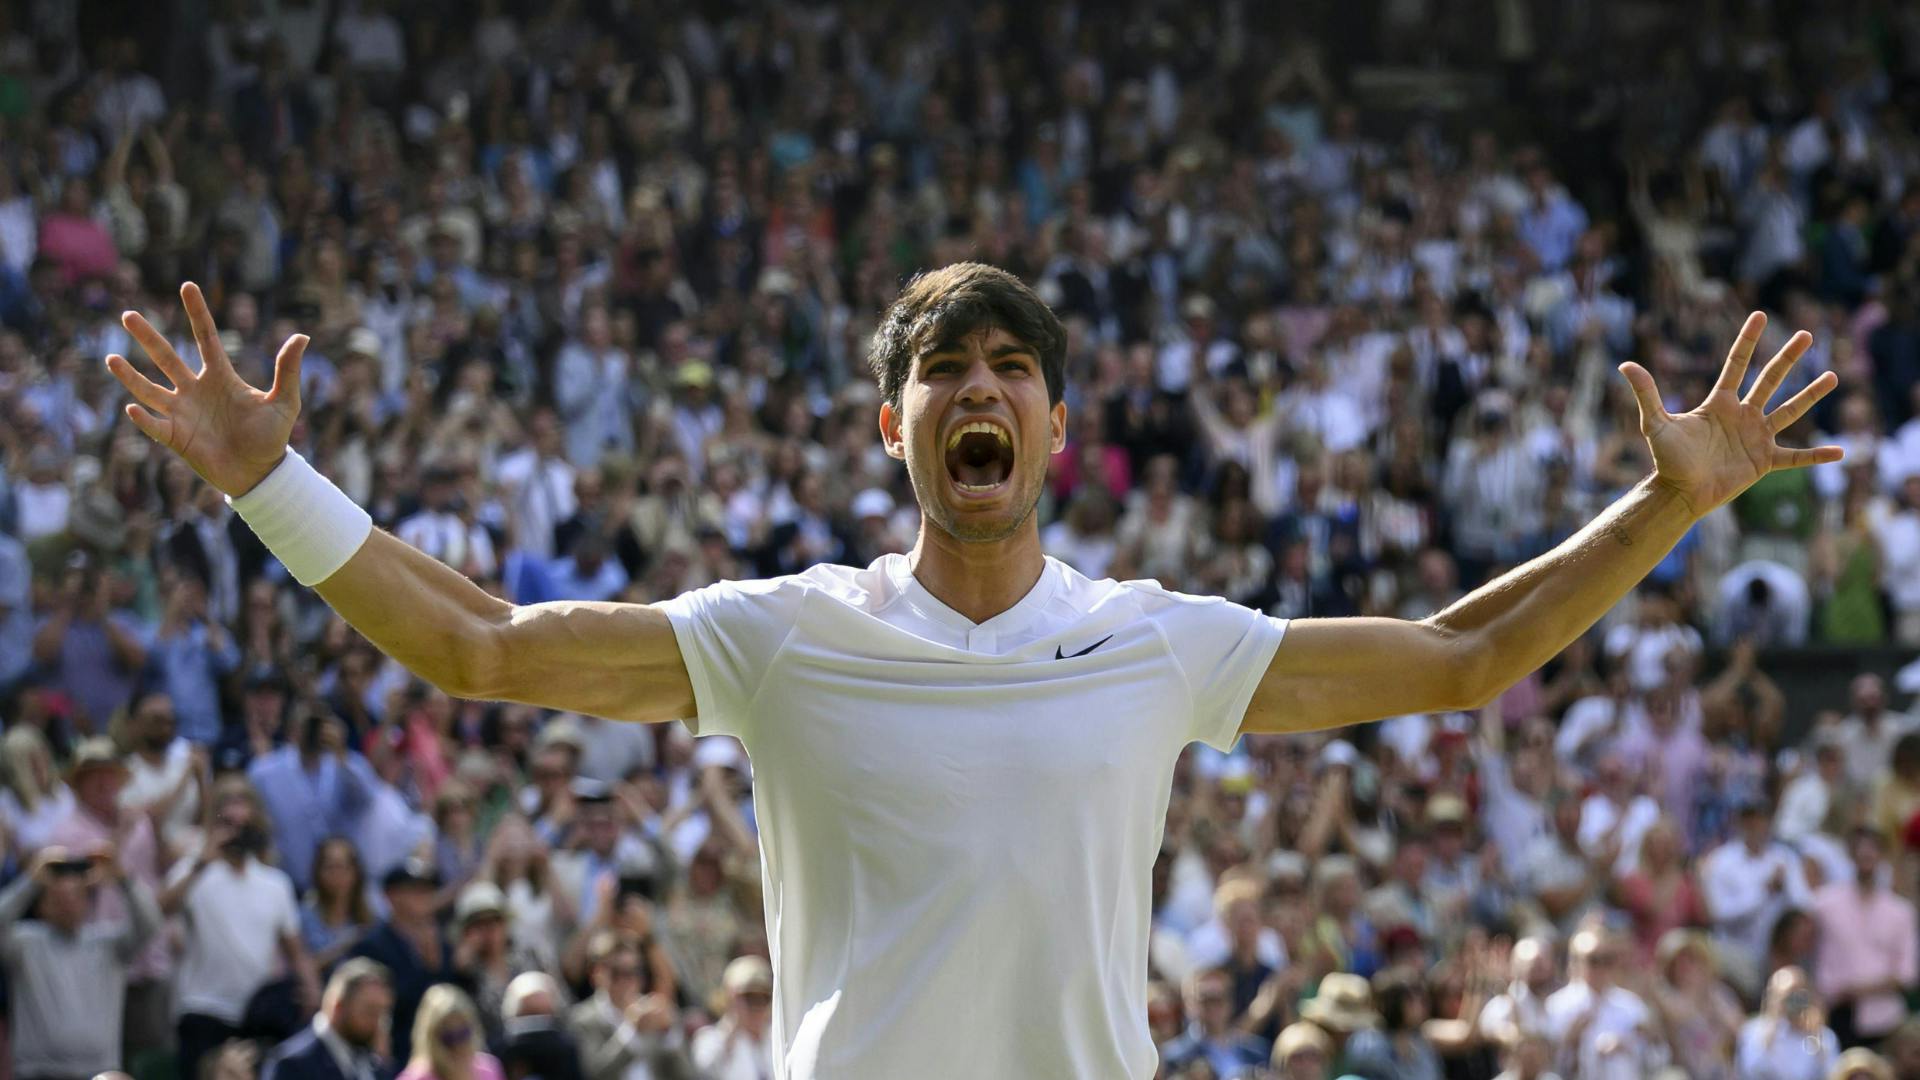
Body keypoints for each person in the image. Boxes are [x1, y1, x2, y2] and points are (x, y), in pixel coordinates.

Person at [108, 267, 1843, 1077]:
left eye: (1012, 367)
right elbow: (476, 647)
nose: (980, 391)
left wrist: (1665, 502)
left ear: (1060, 426)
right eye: (945, 369)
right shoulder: (786, 633)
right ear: (896, 422)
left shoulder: (1161, 640)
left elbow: (1468, 657)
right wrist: (271, 477)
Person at [162, 776, 321, 1080]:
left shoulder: (276, 884)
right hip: (202, 1010)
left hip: (256, 1017)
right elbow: (161, 909)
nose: (236, 819)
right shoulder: (193, 871)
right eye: (227, 809)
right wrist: (201, 862)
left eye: (243, 805)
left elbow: (296, 950)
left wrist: (313, 990)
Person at [0, 844, 160, 1080]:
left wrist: (123, 878)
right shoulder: (25, 943)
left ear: (88, 902)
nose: (68, 904)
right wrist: (31, 881)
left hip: (98, 1073)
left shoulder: (109, 944)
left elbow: (150, 923)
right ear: (43, 904)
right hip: (38, 1072)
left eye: (76, 895)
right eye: (58, 897)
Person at [349, 859, 471, 1055]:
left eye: (428, 890)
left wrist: (460, 969)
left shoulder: (442, 941)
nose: (424, 897)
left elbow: (455, 998)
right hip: (399, 1049)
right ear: (391, 895)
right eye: (415, 890)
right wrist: (429, 970)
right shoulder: (372, 946)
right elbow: (389, 1006)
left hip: (446, 1046)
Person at [1811, 828, 1917, 1048]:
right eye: (1860, 849)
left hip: (1883, 1019)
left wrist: (1855, 989)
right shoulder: (1824, 903)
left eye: (1873, 849)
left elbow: (1907, 974)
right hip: (1835, 1014)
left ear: (1882, 856)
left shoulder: (1900, 911)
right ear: (1851, 854)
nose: (1866, 855)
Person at [1542, 927, 1670, 1080]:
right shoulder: (1557, 1006)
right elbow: (1547, 1064)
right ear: (1575, 962)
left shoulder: (1630, 1005)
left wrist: (1645, 1041)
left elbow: (1659, 1059)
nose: (1602, 968)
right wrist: (1570, 1041)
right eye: (1594, 960)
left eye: (1608, 959)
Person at [565, 931, 692, 1080]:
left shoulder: (656, 1011)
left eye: (636, 971)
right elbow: (594, 1074)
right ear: (597, 974)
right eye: (618, 972)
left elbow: (685, 1075)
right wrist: (633, 1031)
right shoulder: (581, 1019)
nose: (629, 980)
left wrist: (668, 1035)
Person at [259, 959, 398, 1080]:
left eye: (384, 1014)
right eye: (369, 1011)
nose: (378, 1023)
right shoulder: (293, 1065)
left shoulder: (375, 1065)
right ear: (338, 1006)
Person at [1737, 966, 1840, 1079]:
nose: (1794, 1002)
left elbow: (1832, 1074)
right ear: (1772, 997)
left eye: (1799, 995)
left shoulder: (1824, 1036)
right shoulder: (1753, 1031)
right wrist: (1772, 1027)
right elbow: (1750, 1070)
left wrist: (1816, 1038)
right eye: (1788, 996)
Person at [690, 956, 775, 1080]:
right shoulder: (709, 1040)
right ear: (730, 997)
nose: (757, 1004)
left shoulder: (777, 1036)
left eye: (763, 996)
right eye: (749, 996)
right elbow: (707, 1069)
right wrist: (733, 1025)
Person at [400, 986, 503, 1080]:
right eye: (449, 1038)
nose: (458, 1046)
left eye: (463, 1033)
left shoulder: (489, 1069)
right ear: (430, 1039)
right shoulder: (415, 1077)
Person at [496, 973, 584, 1080]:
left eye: (544, 1014)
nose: (537, 1023)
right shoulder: (500, 1049)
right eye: (529, 1013)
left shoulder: (567, 1047)